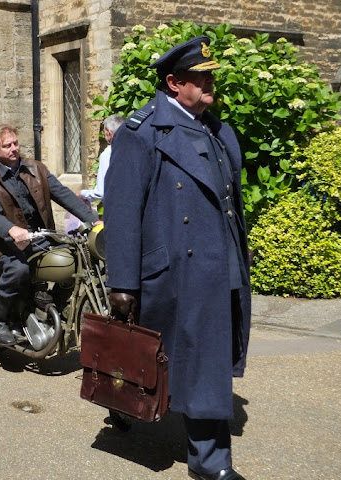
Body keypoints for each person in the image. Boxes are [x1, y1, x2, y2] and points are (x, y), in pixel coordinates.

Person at [103, 36, 251, 480]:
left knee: (204, 359)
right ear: (173, 83)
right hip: (176, 270)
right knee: (155, 355)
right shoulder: (141, 131)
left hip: (219, 266)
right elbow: (124, 211)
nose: (210, 84)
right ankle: (209, 463)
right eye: (200, 77)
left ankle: (201, 455)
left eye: (210, 75)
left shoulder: (218, 130)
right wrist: (123, 282)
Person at [0, 123, 99, 345]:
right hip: (4, 244)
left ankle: (52, 306)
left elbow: (62, 194)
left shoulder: (36, 168)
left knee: (73, 261)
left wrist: (93, 219)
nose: (14, 149)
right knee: (18, 269)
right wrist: (11, 229)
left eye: (15, 143)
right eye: (7, 146)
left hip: (40, 237)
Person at [79, 114, 125, 203]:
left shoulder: (108, 153)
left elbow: (101, 192)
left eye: (104, 132)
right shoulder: (135, 149)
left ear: (109, 133)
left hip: (116, 207)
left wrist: (82, 193)